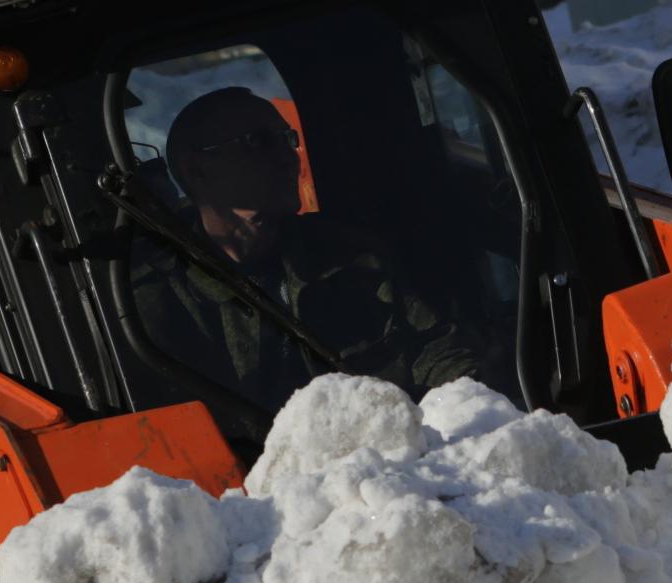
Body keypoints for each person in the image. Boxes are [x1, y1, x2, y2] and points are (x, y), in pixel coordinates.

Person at [130, 86, 475, 403]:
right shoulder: (153, 297)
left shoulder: (354, 257)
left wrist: (463, 407)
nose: (289, 158)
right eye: (259, 141)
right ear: (197, 171)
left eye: (287, 139)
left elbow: (437, 352)